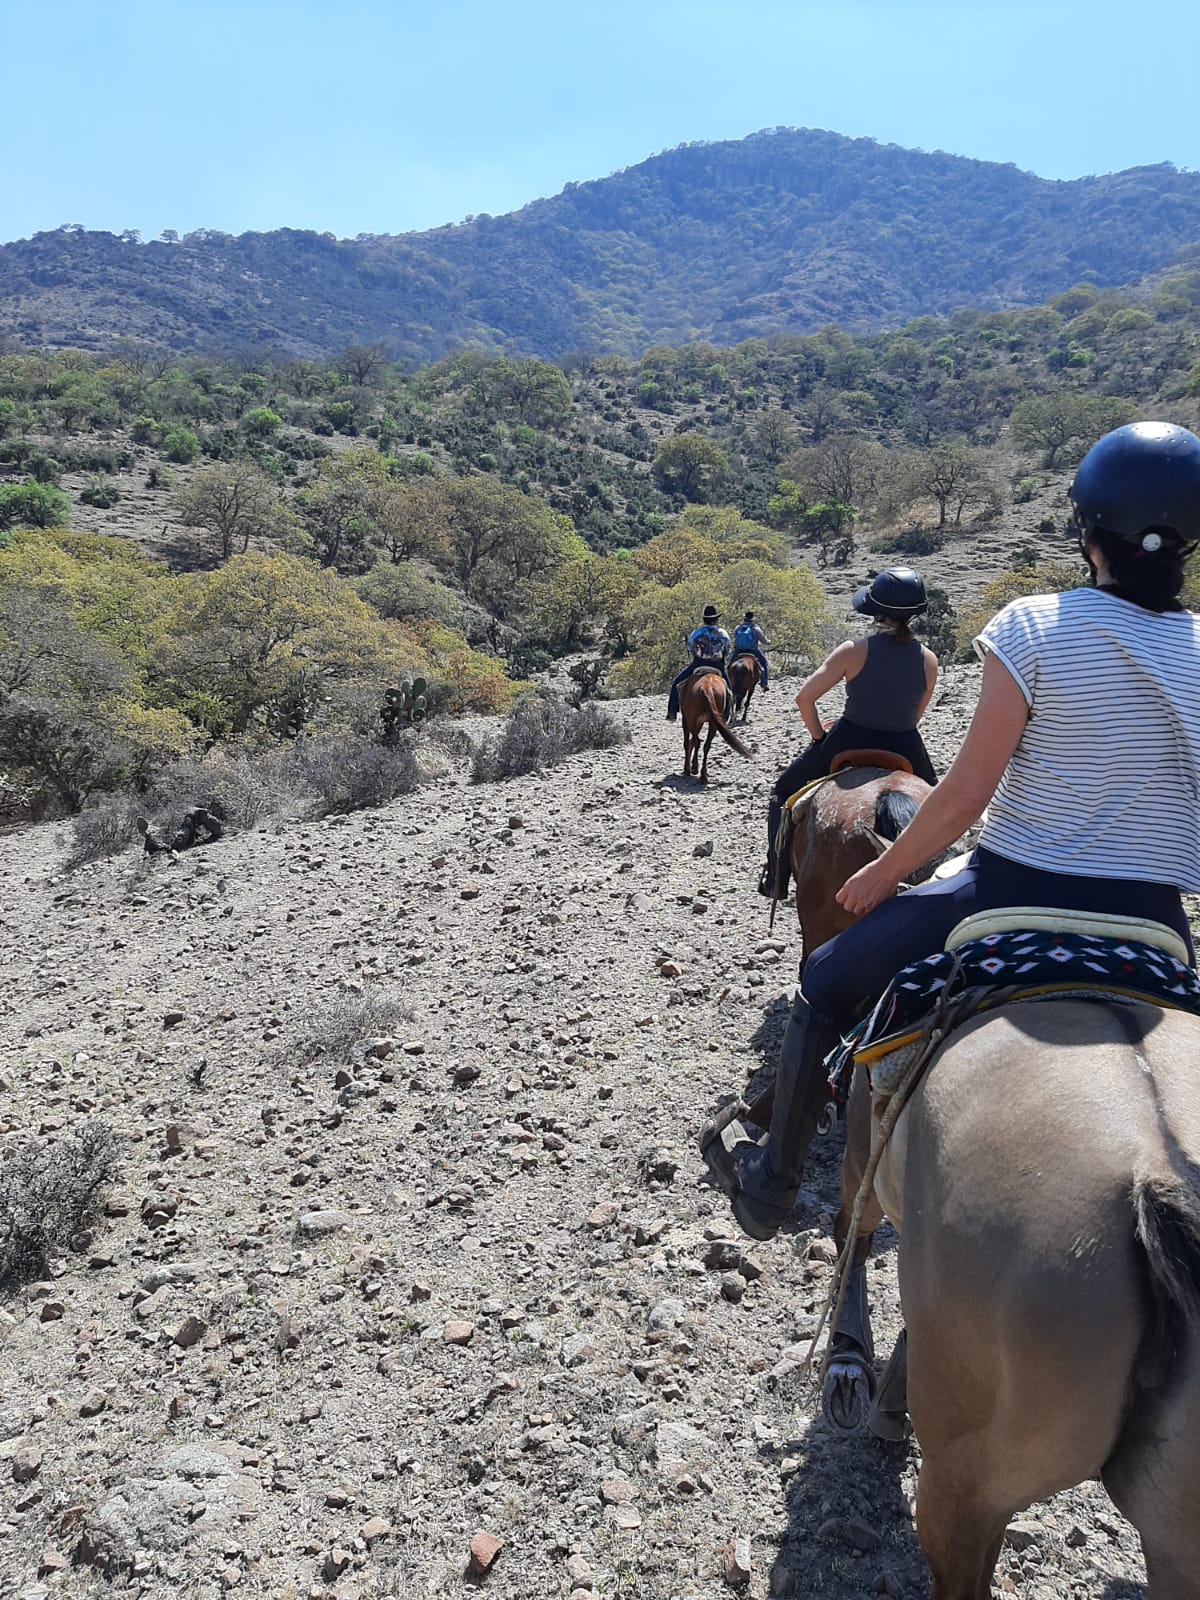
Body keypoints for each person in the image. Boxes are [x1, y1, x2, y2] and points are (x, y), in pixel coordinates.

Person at [712, 420, 1200, 1240]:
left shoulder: (1034, 623)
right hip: (1157, 918)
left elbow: (968, 797)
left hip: (1009, 885)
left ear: (1089, 535)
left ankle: (771, 1185)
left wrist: (879, 872)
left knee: (826, 980)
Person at [757, 569, 939, 897]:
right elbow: (916, 715)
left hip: (849, 737)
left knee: (782, 793)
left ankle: (777, 875)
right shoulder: (929, 660)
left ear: (876, 612)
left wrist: (818, 738)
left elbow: (805, 698)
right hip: (905, 743)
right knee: (942, 809)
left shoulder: (853, 650)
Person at [666, 604, 733, 721]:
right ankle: (727, 714)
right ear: (716, 619)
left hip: (698, 664)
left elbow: (691, 650)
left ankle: (672, 712)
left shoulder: (696, 633)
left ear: (704, 619)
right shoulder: (723, 634)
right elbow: (727, 651)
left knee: (676, 684)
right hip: (717, 665)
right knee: (729, 691)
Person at [732, 611, 771, 691]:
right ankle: (764, 683)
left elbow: (735, 636)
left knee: (730, 664)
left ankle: (727, 682)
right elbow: (763, 640)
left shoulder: (738, 627)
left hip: (738, 650)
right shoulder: (756, 629)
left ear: (744, 619)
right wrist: (768, 642)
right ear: (752, 620)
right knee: (764, 664)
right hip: (752, 650)